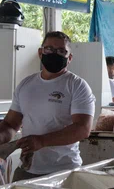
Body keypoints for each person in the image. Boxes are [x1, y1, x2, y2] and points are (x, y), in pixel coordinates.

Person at [0, 31, 96, 181]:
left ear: (69, 58)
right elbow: (10, 124)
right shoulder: (26, 85)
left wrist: (41, 141)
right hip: (27, 169)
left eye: (61, 51)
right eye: (49, 49)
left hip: (64, 171)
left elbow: (83, 129)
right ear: (40, 52)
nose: (54, 53)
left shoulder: (77, 86)